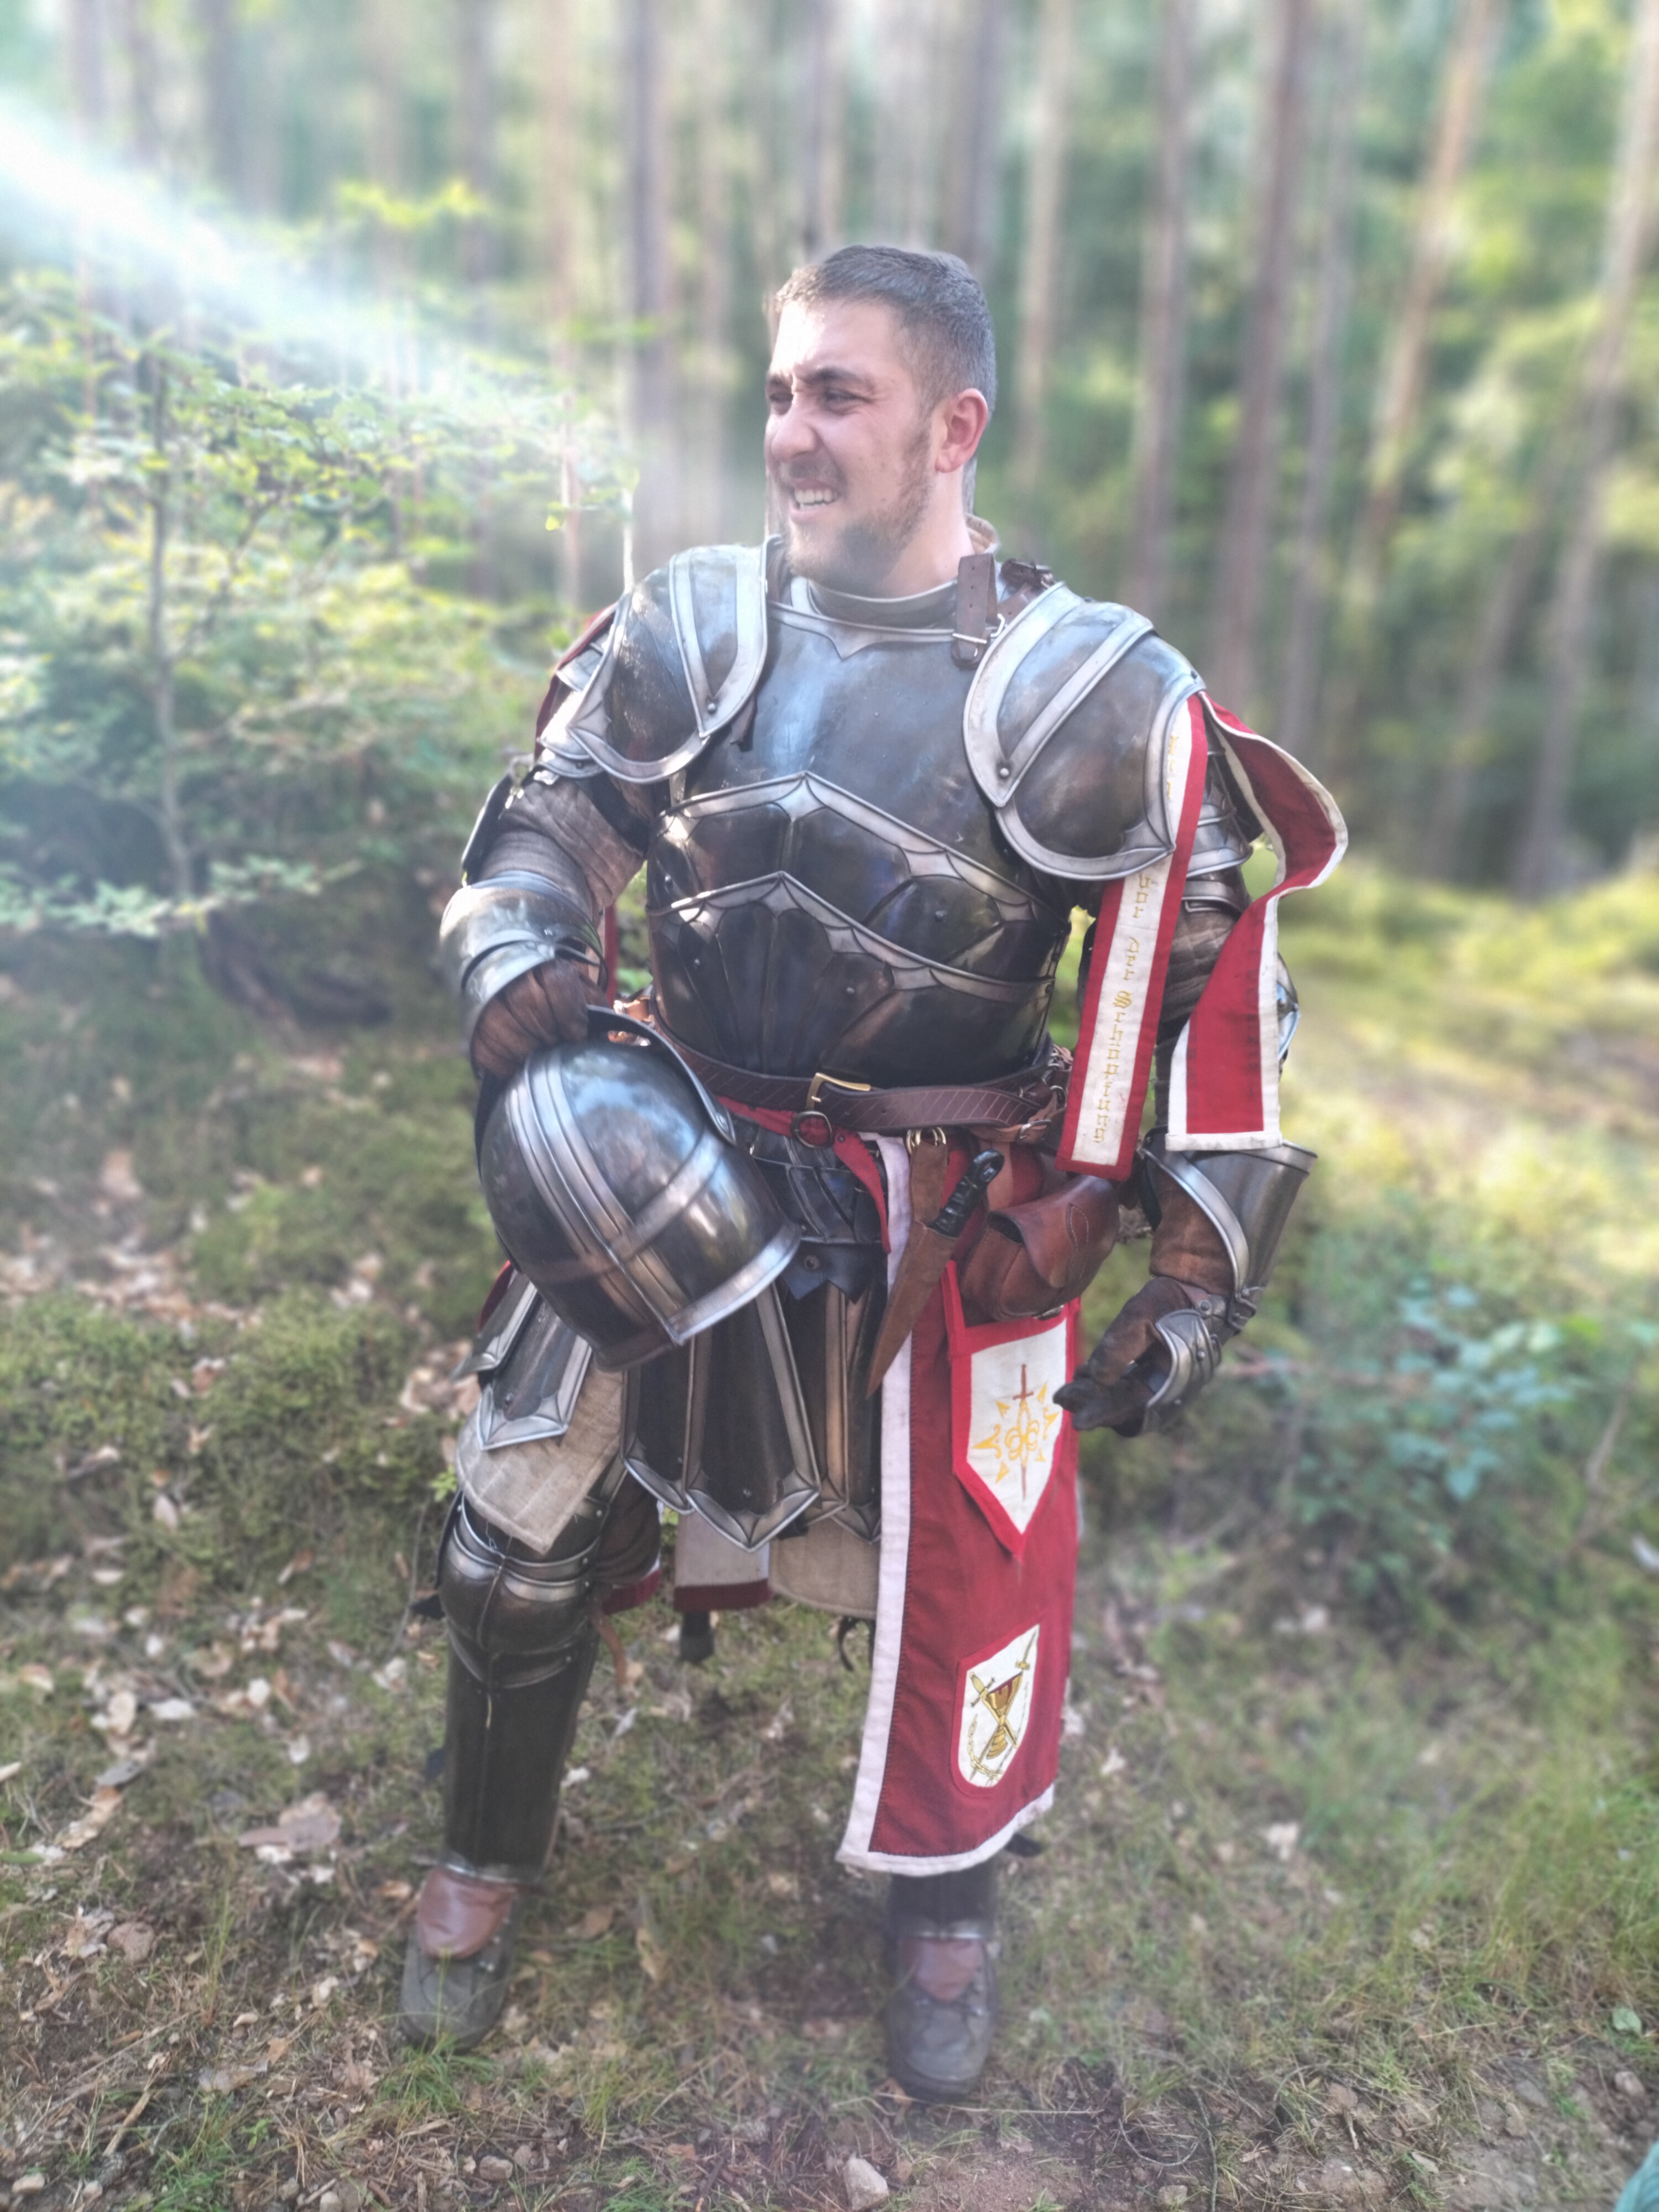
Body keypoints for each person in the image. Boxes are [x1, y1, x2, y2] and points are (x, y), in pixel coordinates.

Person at [409, 244, 1345, 2100]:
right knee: (512, 1532)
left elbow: (1207, 977)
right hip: (663, 1155)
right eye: (781, 392)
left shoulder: (1092, 689)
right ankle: (479, 1862)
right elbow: (552, 820)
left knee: (963, 1582)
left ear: (954, 424)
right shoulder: (691, 621)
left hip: (943, 1217)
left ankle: (946, 1900)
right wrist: (516, 949)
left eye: (840, 394)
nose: (794, 432)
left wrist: (1187, 1263)